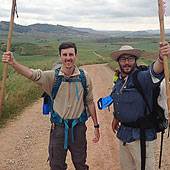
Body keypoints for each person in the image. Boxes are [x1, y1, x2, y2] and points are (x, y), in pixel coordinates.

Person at [2, 42, 100, 170]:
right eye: (64, 55)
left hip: (78, 129)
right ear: (59, 57)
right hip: (59, 129)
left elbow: (90, 101)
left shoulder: (84, 77)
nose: (68, 58)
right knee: (56, 165)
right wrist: (13, 63)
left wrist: (96, 126)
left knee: (80, 163)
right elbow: (32, 74)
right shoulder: (52, 77)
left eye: (71, 54)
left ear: (76, 56)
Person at [110, 41, 170, 170]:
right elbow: (119, 99)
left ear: (135, 60)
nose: (126, 62)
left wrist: (161, 57)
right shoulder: (119, 80)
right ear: (118, 62)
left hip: (141, 137)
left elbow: (155, 72)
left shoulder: (141, 78)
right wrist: (116, 116)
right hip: (124, 135)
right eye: (123, 59)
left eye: (130, 58)